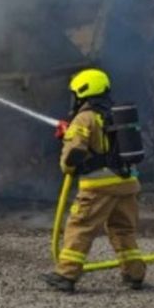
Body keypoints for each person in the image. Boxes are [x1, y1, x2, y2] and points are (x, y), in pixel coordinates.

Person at [42, 68, 145, 292]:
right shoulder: (118, 114)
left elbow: (72, 156)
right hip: (128, 183)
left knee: (80, 228)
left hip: (99, 186)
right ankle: (134, 274)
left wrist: (67, 147)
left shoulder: (84, 118)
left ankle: (66, 275)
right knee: (123, 230)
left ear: (83, 92)